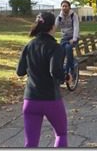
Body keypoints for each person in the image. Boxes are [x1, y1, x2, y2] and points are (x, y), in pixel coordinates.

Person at [16, 12, 68, 147]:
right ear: (53, 26)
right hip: (51, 99)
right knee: (61, 134)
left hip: (31, 99)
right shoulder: (55, 47)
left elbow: (20, 72)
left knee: (31, 143)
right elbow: (55, 71)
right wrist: (66, 77)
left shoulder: (29, 46)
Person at [55, 0, 80, 81]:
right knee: (61, 53)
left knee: (68, 48)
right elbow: (54, 27)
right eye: (63, 6)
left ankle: (72, 69)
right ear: (61, 7)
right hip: (64, 38)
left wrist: (74, 38)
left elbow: (76, 27)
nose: (64, 7)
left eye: (66, 6)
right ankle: (62, 73)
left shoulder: (73, 15)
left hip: (73, 37)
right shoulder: (59, 17)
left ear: (69, 7)